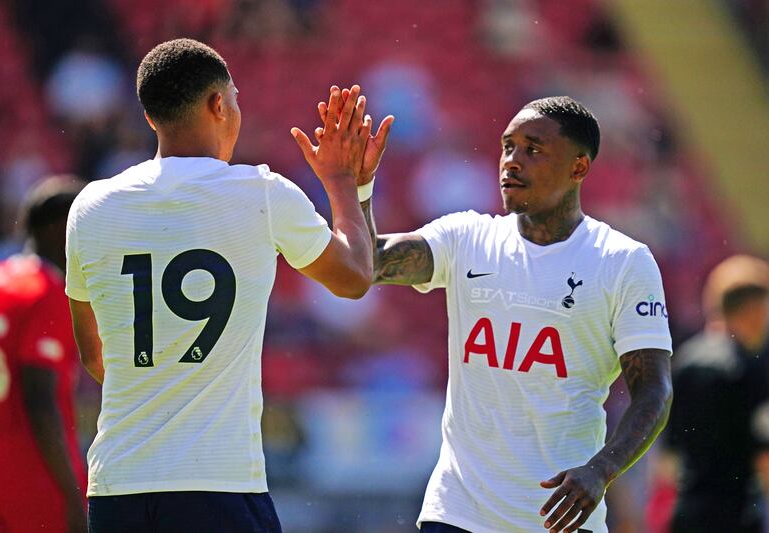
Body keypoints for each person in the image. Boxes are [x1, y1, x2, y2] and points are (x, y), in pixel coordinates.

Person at [65, 38, 391, 532]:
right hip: (219, 484)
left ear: (151, 117)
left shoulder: (90, 207)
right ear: (219, 105)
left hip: (118, 485)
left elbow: (94, 356)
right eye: (234, 98)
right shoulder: (261, 194)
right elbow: (354, 277)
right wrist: (346, 183)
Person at [333, 95, 673, 532]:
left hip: (560, 518)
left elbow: (654, 393)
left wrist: (601, 469)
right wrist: (359, 190)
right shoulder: (466, 237)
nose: (511, 161)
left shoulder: (622, 262)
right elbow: (368, 265)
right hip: (457, 513)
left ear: (578, 168)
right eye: (507, 146)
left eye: (533, 150)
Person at [0, 176, 87, 533]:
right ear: (58, 229)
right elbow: (39, 398)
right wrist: (72, 492)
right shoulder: (47, 289)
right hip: (30, 474)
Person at [664, 255, 769, 532]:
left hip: (688, 512)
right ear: (753, 308)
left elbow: (667, 457)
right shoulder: (749, 367)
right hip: (737, 515)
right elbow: (764, 457)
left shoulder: (684, 361)